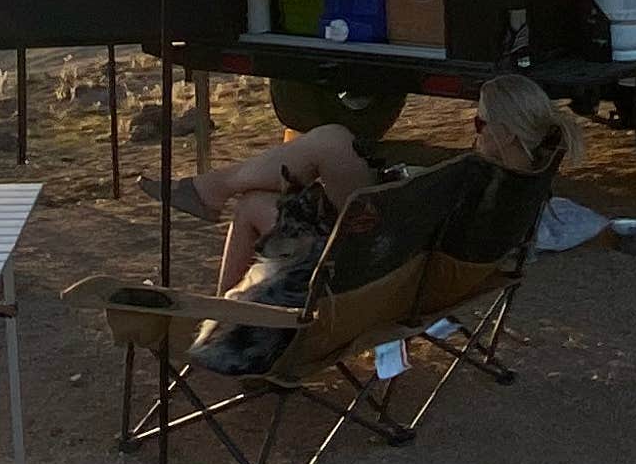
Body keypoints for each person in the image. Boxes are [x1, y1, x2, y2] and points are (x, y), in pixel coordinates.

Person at [165, 76, 579, 371]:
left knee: (323, 148)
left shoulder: (478, 176)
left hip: (377, 273)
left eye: (479, 123)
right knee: (276, 187)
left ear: (505, 134)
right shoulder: (517, 184)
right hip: (408, 273)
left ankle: (219, 309)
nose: (474, 132)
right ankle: (216, 225)